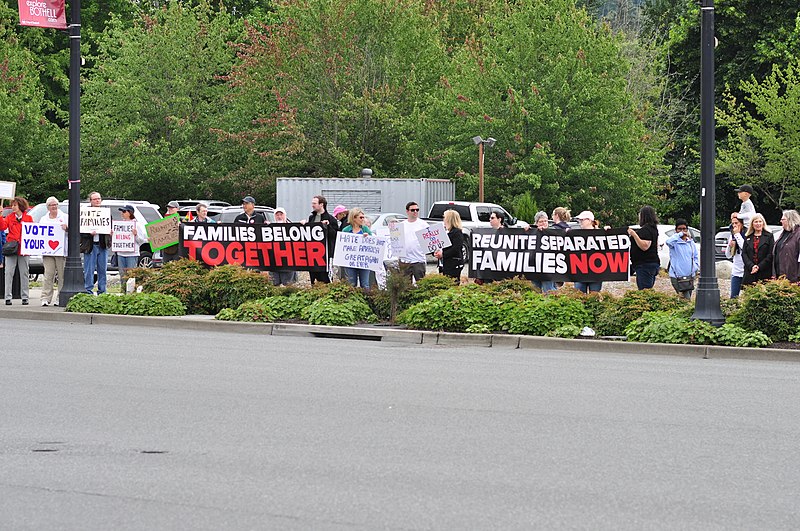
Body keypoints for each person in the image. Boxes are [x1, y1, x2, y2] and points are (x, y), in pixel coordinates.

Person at [0, 197, 33, 305]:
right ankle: (8, 297)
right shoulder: (9, 217)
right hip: (12, 248)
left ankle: (25, 296)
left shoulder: (28, 218)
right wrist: (0, 215)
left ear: (20, 206)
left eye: (15, 205)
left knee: (24, 273)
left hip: (23, 249)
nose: (13, 207)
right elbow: (2, 226)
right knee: (9, 272)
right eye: (12, 205)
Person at [79, 191, 111, 294]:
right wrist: (89, 233)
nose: (97, 201)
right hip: (90, 246)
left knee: (103, 270)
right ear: (90, 201)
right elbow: (80, 230)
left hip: (102, 245)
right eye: (95, 199)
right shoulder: (85, 213)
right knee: (89, 270)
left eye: (99, 199)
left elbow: (109, 226)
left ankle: (102, 291)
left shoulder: (105, 213)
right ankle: (88, 290)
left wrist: (110, 231)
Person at [39, 197, 68, 306]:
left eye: (55, 204)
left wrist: (67, 228)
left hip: (61, 251)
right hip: (48, 252)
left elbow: (72, 231)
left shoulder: (65, 217)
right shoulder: (44, 219)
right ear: (48, 207)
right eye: (52, 205)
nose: (54, 207)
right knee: (48, 275)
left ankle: (60, 297)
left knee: (61, 276)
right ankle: (45, 298)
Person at [305, 195, 338, 284]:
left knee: (325, 277)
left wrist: (328, 226)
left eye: (314, 203)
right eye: (312, 203)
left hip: (325, 253)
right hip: (312, 252)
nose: (312, 205)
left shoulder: (331, 219)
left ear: (321, 204)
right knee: (313, 275)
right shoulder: (311, 218)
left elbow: (335, 235)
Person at [627, 205, 661, 290]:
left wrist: (634, 235)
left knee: (644, 290)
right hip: (651, 263)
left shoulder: (646, 230)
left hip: (645, 265)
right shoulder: (654, 229)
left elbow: (645, 246)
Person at [665, 218, 699, 299]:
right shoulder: (674, 243)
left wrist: (695, 268)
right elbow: (668, 242)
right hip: (677, 276)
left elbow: (695, 256)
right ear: (676, 230)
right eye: (679, 229)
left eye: (684, 229)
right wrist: (679, 234)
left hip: (690, 276)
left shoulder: (690, 243)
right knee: (685, 299)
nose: (682, 231)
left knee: (685, 299)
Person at [115, 205, 146, 291]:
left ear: (130, 213)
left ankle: (130, 292)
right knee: (122, 275)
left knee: (131, 275)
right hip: (121, 253)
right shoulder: (119, 225)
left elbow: (141, 241)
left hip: (132, 254)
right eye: (122, 212)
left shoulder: (137, 225)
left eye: (124, 212)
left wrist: (136, 234)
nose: (122, 214)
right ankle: (123, 291)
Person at [341, 207, 373, 289]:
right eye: (361, 217)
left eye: (363, 217)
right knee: (351, 283)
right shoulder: (346, 230)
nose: (363, 219)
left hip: (364, 261)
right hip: (350, 261)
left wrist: (368, 237)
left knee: (365, 284)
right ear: (354, 218)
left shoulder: (365, 229)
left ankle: (366, 300)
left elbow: (373, 244)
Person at [572, 210, 603, 293]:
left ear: (589, 221)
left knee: (594, 298)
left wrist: (609, 232)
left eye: (582, 220)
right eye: (579, 220)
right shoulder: (575, 234)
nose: (580, 222)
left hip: (596, 273)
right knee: (579, 297)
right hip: (579, 272)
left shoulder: (600, 234)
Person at [398, 201, 430, 282]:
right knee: (405, 286)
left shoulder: (423, 224)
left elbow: (430, 240)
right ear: (407, 211)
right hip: (405, 260)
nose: (415, 212)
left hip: (418, 259)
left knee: (421, 284)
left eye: (417, 210)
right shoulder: (401, 225)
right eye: (413, 210)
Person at [742, 213, 774, 286]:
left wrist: (759, 266)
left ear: (763, 223)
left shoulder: (769, 236)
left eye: (760, 221)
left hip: (764, 272)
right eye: (756, 222)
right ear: (752, 224)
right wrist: (751, 266)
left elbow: (770, 254)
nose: (758, 224)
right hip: (750, 272)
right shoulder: (748, 237)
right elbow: (744, 253)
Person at [434, 209, 465, 284]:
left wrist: (443, 254)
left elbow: (455, 248)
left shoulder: (457, 232)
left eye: (445, 218)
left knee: (452, 283)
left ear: (449, 219)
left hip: (453, 263)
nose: (443, 220)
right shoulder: (446, 231)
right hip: (443, 264)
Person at [270, 207, 297, 286]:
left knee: (288, 285)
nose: (279, 217)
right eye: (277, 215)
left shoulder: (293, 228)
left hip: (288, 262)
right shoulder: (270, 228)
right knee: (274, 284)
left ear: (285, 215)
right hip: (274, 262)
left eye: (281, 214)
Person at [532, 211, 556, 293]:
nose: (543, 223)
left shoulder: (553, 232)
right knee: (535, 292)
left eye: (545, 221)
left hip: (548, 269)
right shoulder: (532, 232)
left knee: (549, 291)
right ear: (536, 223)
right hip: (535, 267)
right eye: (541, 221)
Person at [772, 209, 800, 282]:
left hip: (793, 276)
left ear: (790, 220)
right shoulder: (782, 234)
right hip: (779, 275)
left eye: (783, 219)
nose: (781, 221)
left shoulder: (798, 234)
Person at [726, 214, 746, 298]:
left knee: (747, 297)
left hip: (746, 270)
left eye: (736, 223)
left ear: (741, 223)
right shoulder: (732, 236)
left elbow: (744, 247)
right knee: (733, 297)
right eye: (732, 223)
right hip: (736, 271)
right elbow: (728, 255)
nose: (734, 225)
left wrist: (737, 234)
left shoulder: (746, 234)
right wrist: (730, 246)